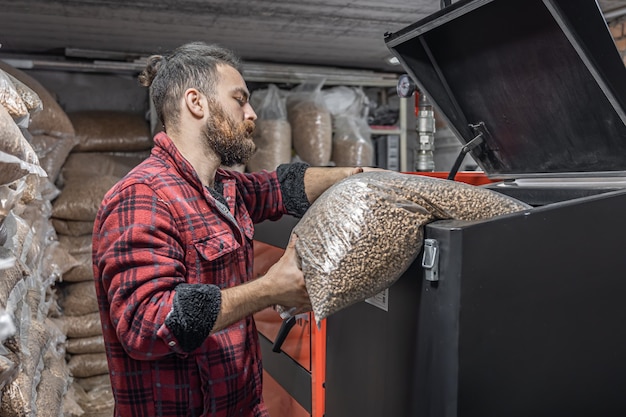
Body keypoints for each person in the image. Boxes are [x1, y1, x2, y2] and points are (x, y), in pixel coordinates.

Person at [92, 41, 370, 417]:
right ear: (197, 103)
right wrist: (269, 289)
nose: (251, 113)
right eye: (240, 99)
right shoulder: (144, 196)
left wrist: (360, 177)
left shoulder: (225, 187)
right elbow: (148, 323)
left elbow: (281, 186)